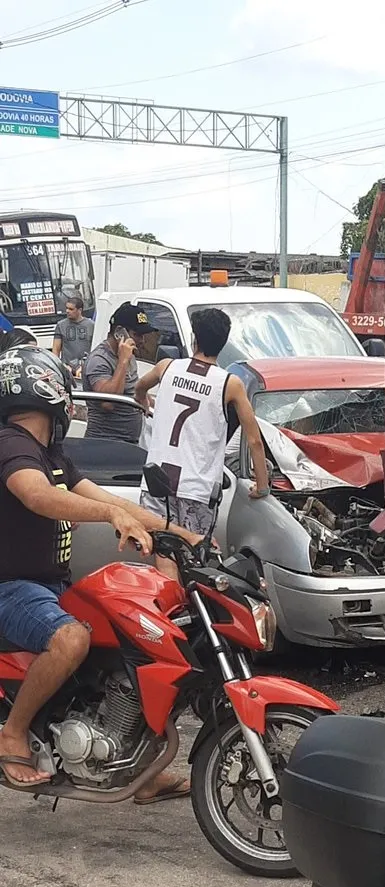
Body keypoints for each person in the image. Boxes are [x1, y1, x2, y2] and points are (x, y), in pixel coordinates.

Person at [0, 337, 198, 799]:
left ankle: (140, 770)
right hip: (12, 587)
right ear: (47, 390)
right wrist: (112, 517)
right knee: (72, 638)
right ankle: (12, 732)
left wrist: (180, 533)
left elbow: (103, 496)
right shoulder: (12, 444)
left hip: (48, 587)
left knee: (136, 635)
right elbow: (36, 495)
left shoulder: (51, 453)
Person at [135, 307, 270, 579]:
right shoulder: (229, 384)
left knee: (163, 555)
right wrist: (262, 486)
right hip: (197, 487)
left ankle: (168, 615)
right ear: (223, 343)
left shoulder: (167, 367)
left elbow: (140, 387)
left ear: (195, 338)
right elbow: (254, 439)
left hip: (156, 480)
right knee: (194, 558)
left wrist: (144, 401)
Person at [82, 302, 156, 444]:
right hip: (105, 443)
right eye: (137, 335)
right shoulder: (99, 359)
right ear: (119, 333)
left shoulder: (129, 356)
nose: (142, 341)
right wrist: (122, 361)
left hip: (130, 442)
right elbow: (108, 403)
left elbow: (133, 387)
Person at [52, 295, 94, 376]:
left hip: (86, 367)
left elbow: (95, 347)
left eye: (71, 309)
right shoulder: (60, 325)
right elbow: (56, 350)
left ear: (80, 310)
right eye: (67, 308)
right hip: (67, 368)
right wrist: (57, 367)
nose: (67, 311)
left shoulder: (91, 325)